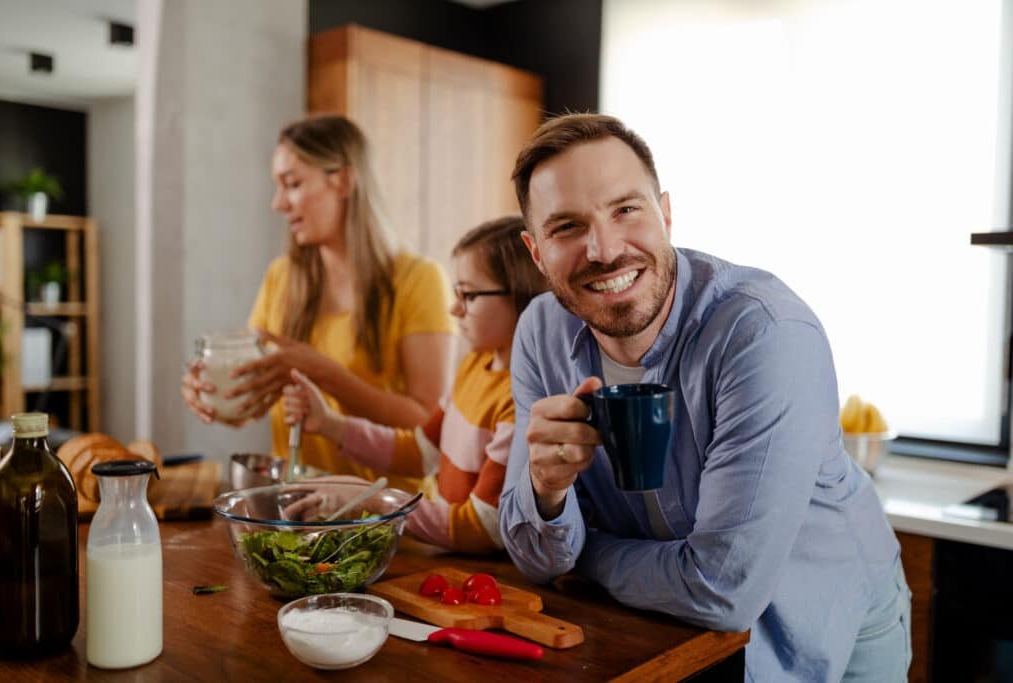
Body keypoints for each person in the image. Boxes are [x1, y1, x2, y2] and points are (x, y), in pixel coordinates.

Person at [498, 113, 911, 681]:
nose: (604, 249)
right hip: (668, 630)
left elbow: (723, 591)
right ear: (537, 252)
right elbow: (531, 556)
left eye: (626, 209)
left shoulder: (765, 333)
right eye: (566, 227)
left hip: (829, 625)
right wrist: (545, 491)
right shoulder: (539, 333)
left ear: (665, 214)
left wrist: (585, 554)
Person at [181, 115, 456, 490]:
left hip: (390, 526)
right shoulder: (281, 277)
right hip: (298, 517)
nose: (278, 203)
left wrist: (324, 372)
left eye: (292, 184)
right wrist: (213, 396)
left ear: (342, 180)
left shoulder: (419, 280)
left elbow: (425, 423)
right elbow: (253, 398)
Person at [282, 216, 547, 552]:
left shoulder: (518, 400)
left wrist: (376, 502)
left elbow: (485, 527)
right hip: (448, 558)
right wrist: (333, 426)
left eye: (468, 295)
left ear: (521, 296)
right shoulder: (474, 365)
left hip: (488, 578)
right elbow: (422, 451)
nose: (454, 308)